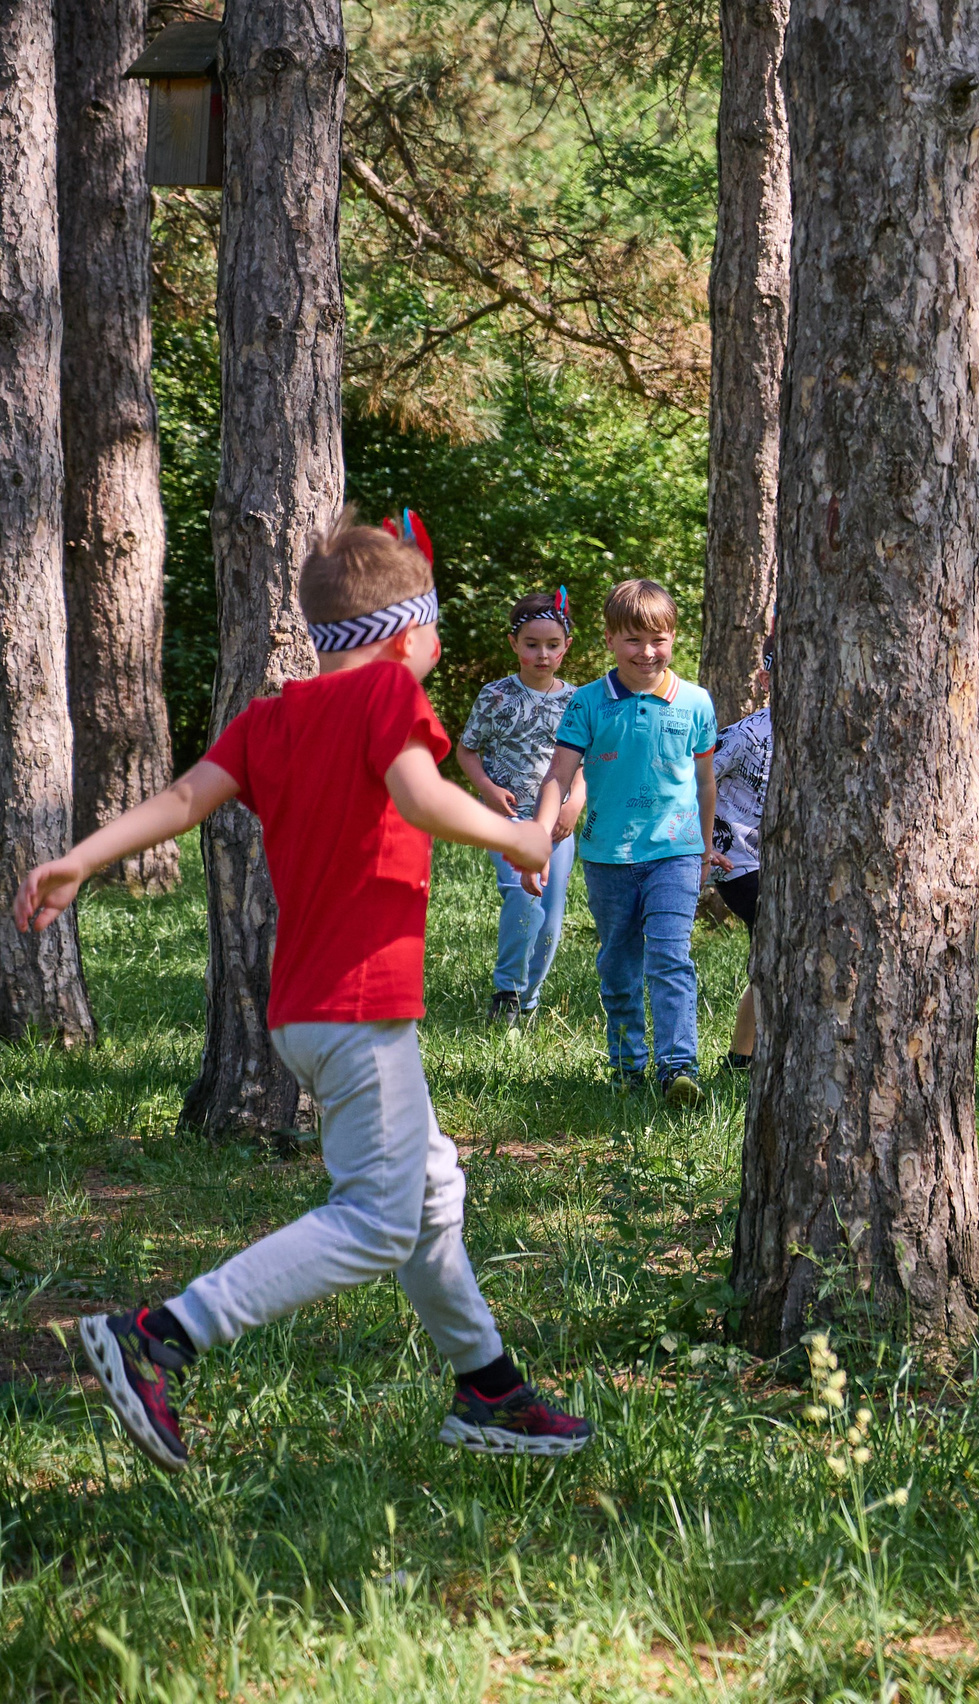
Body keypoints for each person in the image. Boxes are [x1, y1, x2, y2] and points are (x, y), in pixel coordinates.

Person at [11, 510, 595, 1470]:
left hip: (304, 1011)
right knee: (375, 1220)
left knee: (431, 1191)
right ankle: (161, 1335)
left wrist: (83, 857)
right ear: (410, 636)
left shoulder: (272, 717)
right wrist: (522, 838)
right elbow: (416, 795)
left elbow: (186, 799)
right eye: (437, 630)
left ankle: (490, 1390)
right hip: (362, 1008)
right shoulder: (386, 701)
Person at [530, 579, 724, 1105]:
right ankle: (627, 1065)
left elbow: (705, 782)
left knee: (669, 954)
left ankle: (678, 1067)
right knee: (618, 960)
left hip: (675, 853)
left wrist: (705, 846)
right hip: (607, 857)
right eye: (634, 640)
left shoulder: (697, 702)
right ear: (611, 640)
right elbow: (558, 776)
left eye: (659, 639)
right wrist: (538, 837)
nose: (647, 652)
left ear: (675, 639)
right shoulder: (588, 703)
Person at [456, 588, 585, 1024]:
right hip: (507, 819)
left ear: (567, 646)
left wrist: (574, 805)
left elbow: (586, 763)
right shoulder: (496, 696)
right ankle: (506, 992)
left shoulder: (578, 701)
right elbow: (467, 751)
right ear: (514, 645)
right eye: (532, 645)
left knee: (550, 915)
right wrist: (487, 789)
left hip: (557, 826)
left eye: (552, 645)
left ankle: (528, 1000)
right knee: (521, 895)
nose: (543, 655)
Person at [709, 638, 772, 1076]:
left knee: (771, 953)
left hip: (784, 865)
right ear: (767, 678)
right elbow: (692, 779)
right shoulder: (746, 735)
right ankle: (750, 1056)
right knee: (777, 946)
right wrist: (701, 842)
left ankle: (741, 1056)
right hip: (739, 861)